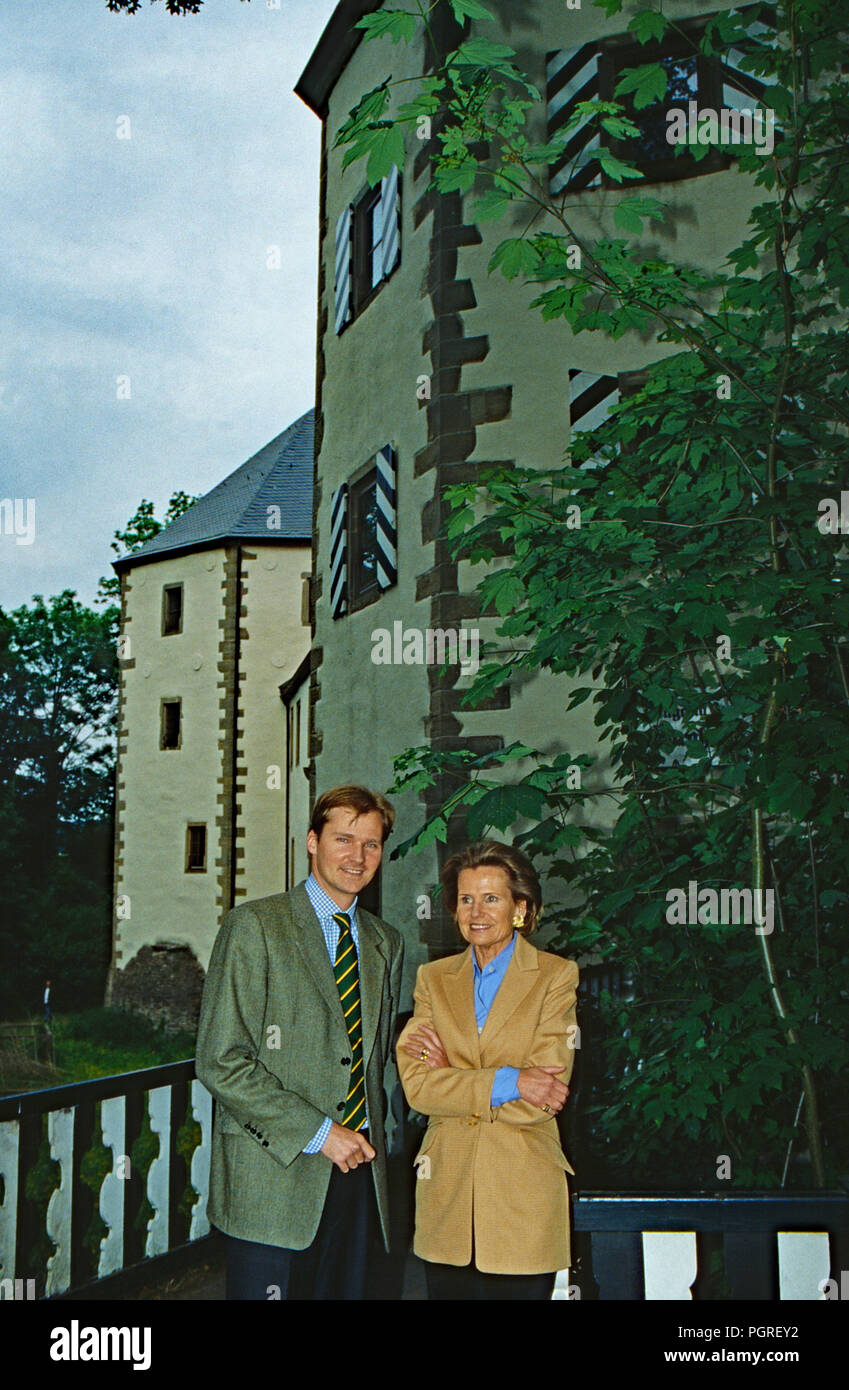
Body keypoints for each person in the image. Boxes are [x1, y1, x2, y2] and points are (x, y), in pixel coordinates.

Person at [196, 785, 404, 1300]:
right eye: (343, 839)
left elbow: (372, 1065)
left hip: (361, 1180)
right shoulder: (255, 927)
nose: (357, 857)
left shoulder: (385, 943)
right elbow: (220, 1061)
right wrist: (319, 1133)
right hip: (275, 1179)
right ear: (312, 842)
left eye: (372, 844)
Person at [397, 839, 579, 1300]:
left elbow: (544, 1099)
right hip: (447, 1204)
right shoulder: (433, 980)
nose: (476, 911)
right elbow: (418, 1088)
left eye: (491, 898)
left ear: (520, 907)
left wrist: (453, 1080)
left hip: (523, 1204)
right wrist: (510, 1080)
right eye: (465, 899)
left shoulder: (555, 977)